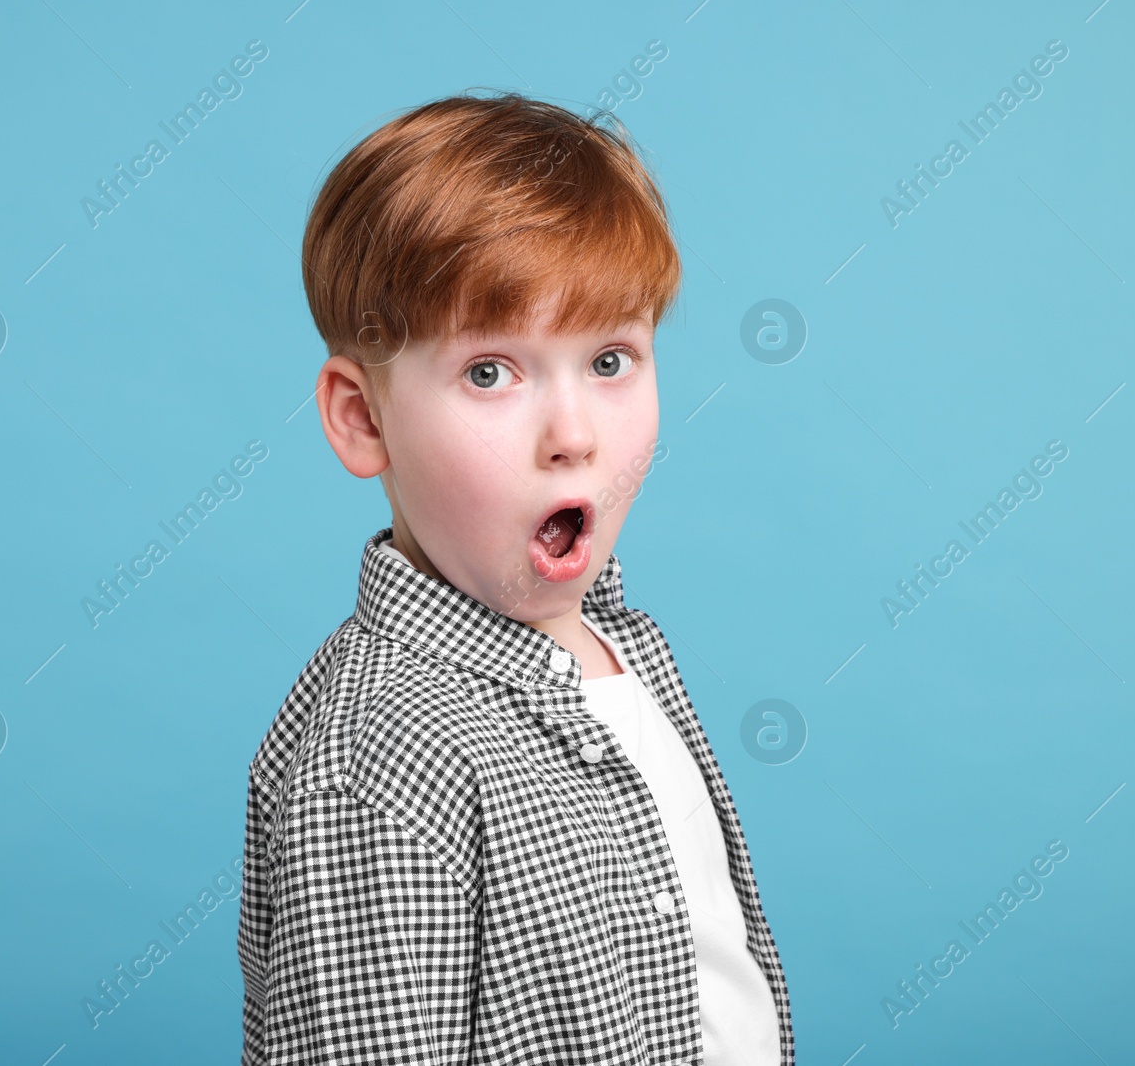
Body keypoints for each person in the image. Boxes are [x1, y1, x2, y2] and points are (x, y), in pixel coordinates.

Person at [238, 90, 792, 1065]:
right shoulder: (382, 753)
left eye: (611, 359)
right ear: (363, 420)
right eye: (491, 372)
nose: (573, 435)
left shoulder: (621, 650)